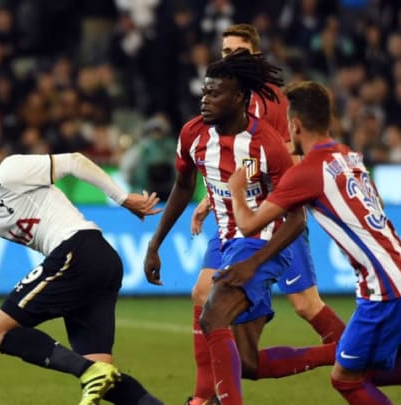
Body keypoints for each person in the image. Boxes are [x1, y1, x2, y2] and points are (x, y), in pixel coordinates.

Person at [224, 80, 401, 405]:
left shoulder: (308, 173)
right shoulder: (348, 155)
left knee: (345, 380)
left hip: (384, 289)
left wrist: (235, 188)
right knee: (382, 368)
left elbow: (247, 224)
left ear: (295, 125)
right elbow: (378, 205)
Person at [144, 50, 336, 405]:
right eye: (204, 92)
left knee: (212, 311)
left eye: (214, 94)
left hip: (260, 242)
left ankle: (207, 399)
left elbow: (296, 218)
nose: (205, 101)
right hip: (228, 241)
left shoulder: (267, 146)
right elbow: (184, 185)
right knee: (247, 362)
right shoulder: (193, 134)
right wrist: (156, 242)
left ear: (238, 98)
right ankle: (342, 353)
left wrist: (256, 261)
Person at [0, 135, 164, 405]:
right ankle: (96, 373)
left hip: (78, 250)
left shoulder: (8, 172)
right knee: (106, 380)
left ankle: (89, 371)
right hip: (99, 262)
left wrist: (122, 198)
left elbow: (74, 162)